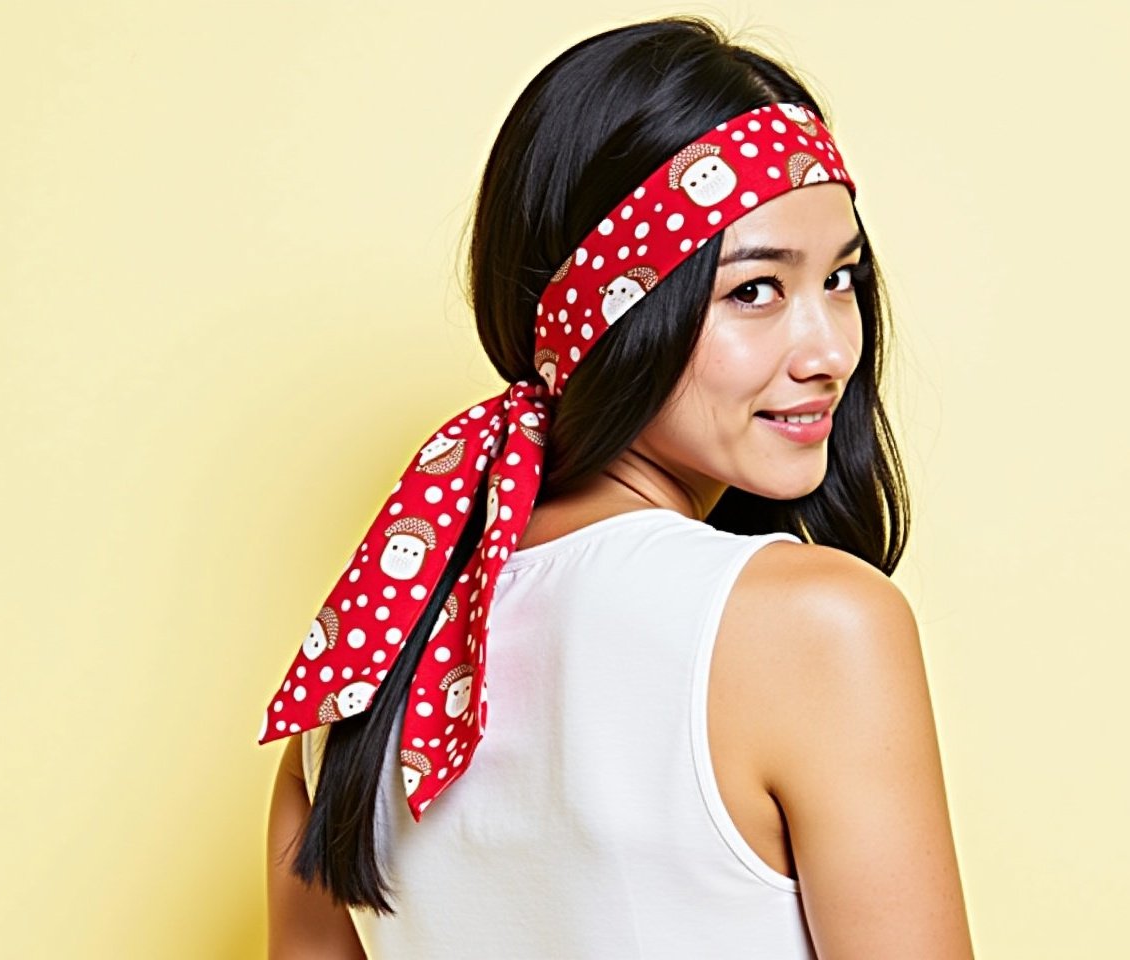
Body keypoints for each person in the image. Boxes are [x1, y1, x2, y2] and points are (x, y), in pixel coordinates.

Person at [265, 15, 974, 959]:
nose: (831, 350)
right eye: (754, 290)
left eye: (842, 278)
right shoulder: (813, 624)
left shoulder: (364, 673)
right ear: (605, 313)